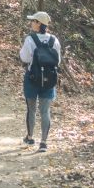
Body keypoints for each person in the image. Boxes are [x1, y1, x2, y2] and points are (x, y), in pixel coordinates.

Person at [20, 11, 62, 152]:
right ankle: (43, 142)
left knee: (31, 109)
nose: (31, 23)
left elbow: (25, 58)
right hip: (49, 80)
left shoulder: (30, 39)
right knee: (45, 111)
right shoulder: (54, 40)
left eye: (33, 21)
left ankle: (30, 137)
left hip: (32, 78)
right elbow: (58, 61)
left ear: (39, 24)